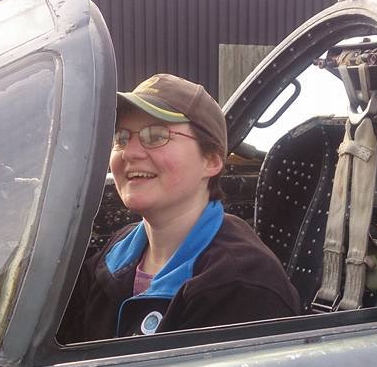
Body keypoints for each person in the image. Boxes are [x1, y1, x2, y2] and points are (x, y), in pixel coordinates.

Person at [58, 73, 300, 342]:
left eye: (156, 135)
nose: (130, 152)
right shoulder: (115, 250)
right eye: (122, 137)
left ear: (210, 160)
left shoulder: (241, 285)